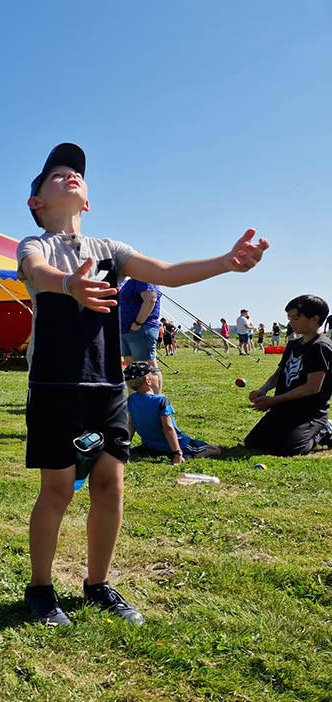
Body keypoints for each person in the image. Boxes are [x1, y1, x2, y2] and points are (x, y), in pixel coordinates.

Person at [17, 141, 268, 627]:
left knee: (110, 486)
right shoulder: (36, 246)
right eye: (56, 174)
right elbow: (37, 272)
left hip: (108, 386)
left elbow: (167, 273)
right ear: (36, 203)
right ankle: (41, 590)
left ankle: (98, 584)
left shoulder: (111, 250)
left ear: (87, 200)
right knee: (59, 490)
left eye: (77, 174)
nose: (70, 176)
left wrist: (226, 262)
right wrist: (69, 284)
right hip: (54, 387)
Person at [245, 295, 332, 456]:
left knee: (290, 449)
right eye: (289, 318)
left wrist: (272, 401)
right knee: (253, 443)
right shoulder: (293, 345)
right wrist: (263, 390)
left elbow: (312, 387)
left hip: (308, 412)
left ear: (314, 319)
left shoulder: (320, 347)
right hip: (284, 408)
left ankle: (325, 429)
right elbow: (279, 374)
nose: (290, 322)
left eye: (296, 318)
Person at [124, 361, 220, 463]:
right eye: (154, 374)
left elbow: (131, 425)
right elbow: (168, 428)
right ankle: (188, 457)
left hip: (151, 445)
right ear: (148, 381)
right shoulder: (161, 401)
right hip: (176, 445)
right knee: (215, 449)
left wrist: (125, 447)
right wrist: (177, 453)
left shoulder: (131, 399)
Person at [118, 277, 162, 392]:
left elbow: (151, 299)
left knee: (148, 366)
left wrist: (138, 323)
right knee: (131, 368)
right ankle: (135, 400)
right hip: (125, 330)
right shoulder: (128, 282)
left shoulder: (143, 277)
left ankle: (155, 401)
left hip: (141, 328)